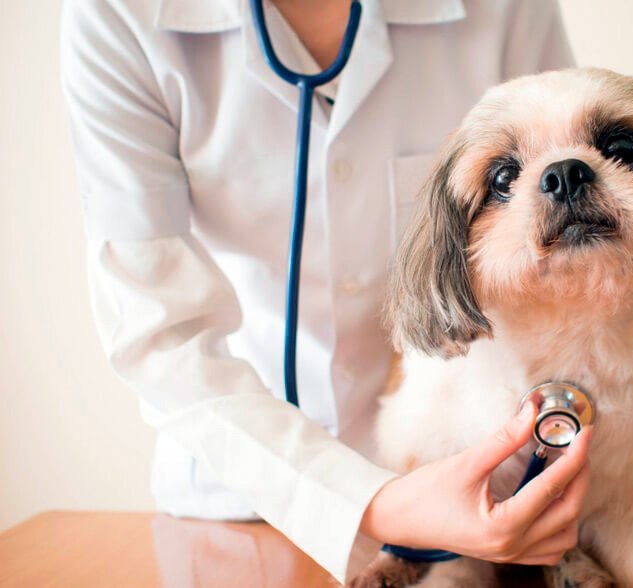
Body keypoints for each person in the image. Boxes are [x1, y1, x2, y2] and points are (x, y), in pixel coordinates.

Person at [60, 0, 589, 583]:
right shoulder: (119, 13)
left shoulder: (510, 9)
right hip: (240, 501)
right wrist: (378, 503)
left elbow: (574, 255)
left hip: (488, 496)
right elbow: (161, 335)